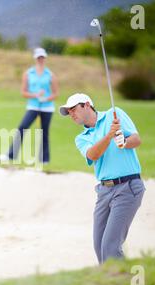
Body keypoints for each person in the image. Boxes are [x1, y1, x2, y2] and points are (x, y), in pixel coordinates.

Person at [59, 93, 145, 264]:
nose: (72, 114)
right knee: (99, 247)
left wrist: (124, 142)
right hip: (104, 192)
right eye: (69, 112)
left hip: (127, 187)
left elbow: (136, 140)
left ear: (87, 104)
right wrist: (109, 136)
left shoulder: (115, 114)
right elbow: (93, 154)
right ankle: (112, 283)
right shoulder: (82, 138)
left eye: (73, 109)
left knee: (110, 246)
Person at [0, 47, 59, 164]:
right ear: (35, 58)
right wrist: (36, 95)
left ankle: (44, 159)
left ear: (45, 58)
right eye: (38, 57)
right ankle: (11, 155)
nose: (40, 59)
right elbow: (23, 92)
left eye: (42, 57)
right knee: (22, 128)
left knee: (44, 132)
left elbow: (56, 94)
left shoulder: (50, 75)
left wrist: (46, 98)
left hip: (47, 107)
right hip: (33, 106)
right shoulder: (28, 73)